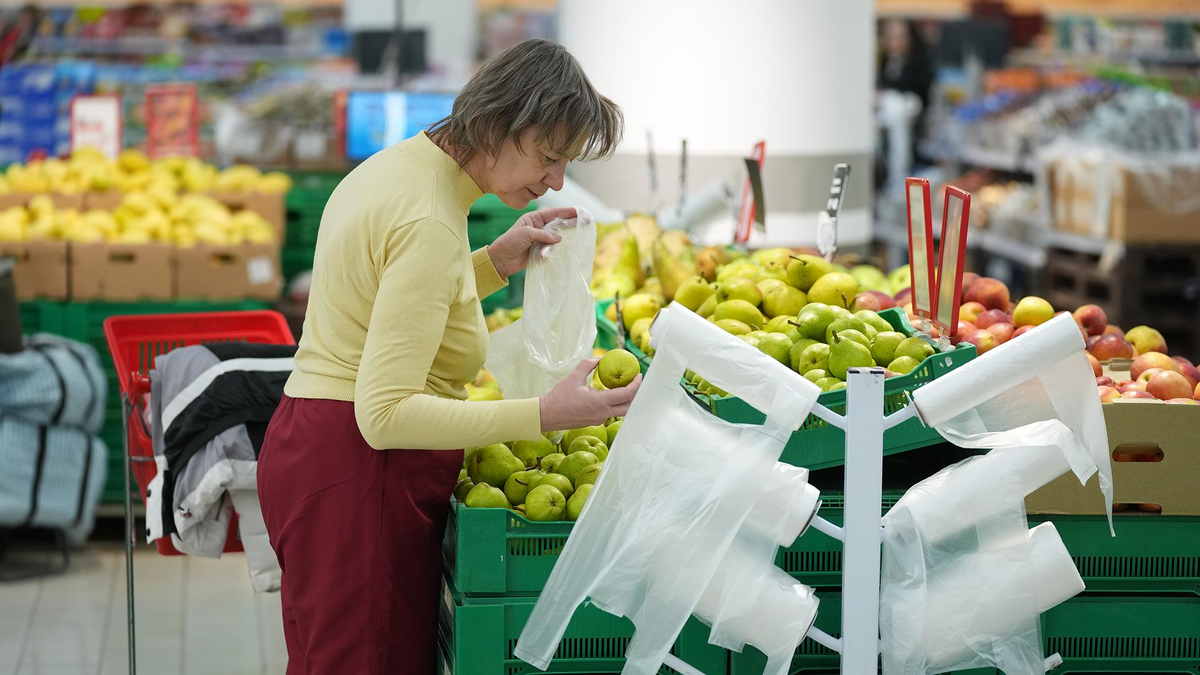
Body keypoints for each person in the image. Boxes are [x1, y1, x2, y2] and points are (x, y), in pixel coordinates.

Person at [257, 38, 637, 675]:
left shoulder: (403, 169)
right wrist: (543, 413)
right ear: (497, 126)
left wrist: (493, 262)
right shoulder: (430, 220)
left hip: (320, 451)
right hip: (361, 474)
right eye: (548, 157)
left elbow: (393, 296)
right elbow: (385, 415)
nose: (555, 181)